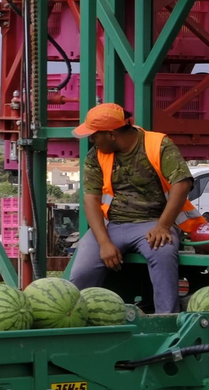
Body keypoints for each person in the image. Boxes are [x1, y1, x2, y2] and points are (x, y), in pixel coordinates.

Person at [68, 103, 196, 313]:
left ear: (111, 134)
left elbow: (182, 184)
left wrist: (163, 226)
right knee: (82, 272)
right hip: (112, 225)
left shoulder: (158, 144)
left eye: (94, 135)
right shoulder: (96, 155)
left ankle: (166, 320)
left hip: (154, 223)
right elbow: (91, 200)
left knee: (163, 255)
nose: (91, 140)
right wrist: (104, 243)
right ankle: (71, 317)